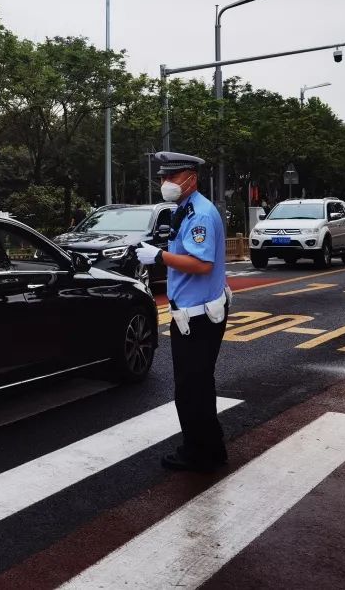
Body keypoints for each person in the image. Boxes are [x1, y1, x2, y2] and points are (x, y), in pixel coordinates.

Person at [135, 151, 229, 473]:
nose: (166, 183)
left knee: (191, 388)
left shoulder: (200, 214)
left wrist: (159, 257)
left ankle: (199, 453)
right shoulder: (186, 209)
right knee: (197, 385)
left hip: (199, 316)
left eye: (173, 177)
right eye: (163, 178)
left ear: (191, 177)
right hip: (192, 312)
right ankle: (209, 449)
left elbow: (203, 265)